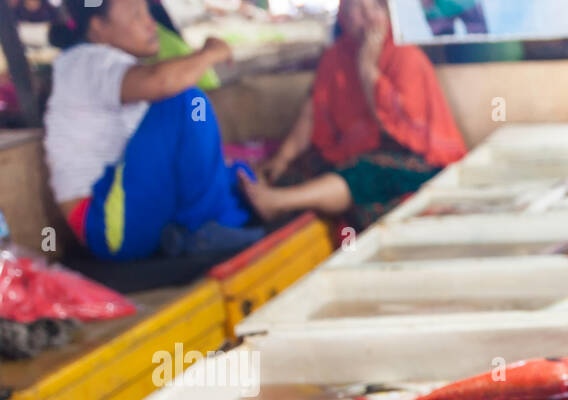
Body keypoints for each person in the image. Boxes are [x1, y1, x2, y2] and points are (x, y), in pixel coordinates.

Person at [44, 0, 261, 262]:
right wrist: (210, 54)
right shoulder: (84, 61)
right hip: (105, 222)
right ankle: (206, 229)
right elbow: (162, 82)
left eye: (148, 12)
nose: (151, 23)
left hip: (129, 203)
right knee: (190, 102)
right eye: (137, 15)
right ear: (98, 27)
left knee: (235, 174)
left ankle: (208, 225)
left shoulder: (115, 66)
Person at [242, 0, 467, 230]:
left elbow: (390, 127)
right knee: (292, 172)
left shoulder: (406, 56)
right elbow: (311, 116)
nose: (368, 17)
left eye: (376, 8)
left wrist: (366, 66)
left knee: (360, 172)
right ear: (344, 16)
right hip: (355, 150)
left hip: (419, 160)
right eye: (358, 9)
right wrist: (283, 158)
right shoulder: (335, 58)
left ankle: (278, 202)